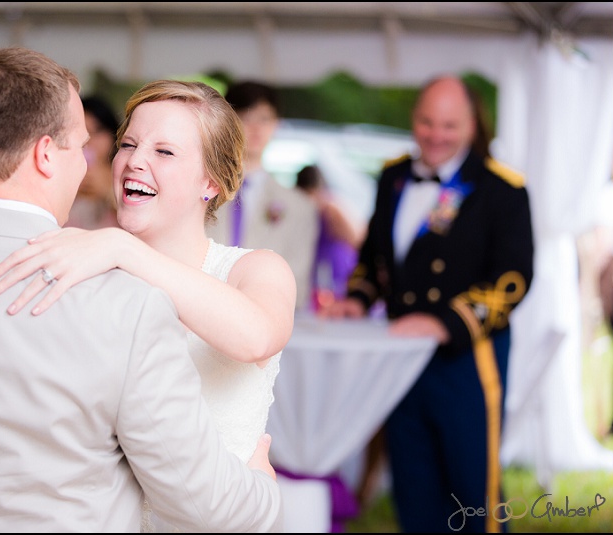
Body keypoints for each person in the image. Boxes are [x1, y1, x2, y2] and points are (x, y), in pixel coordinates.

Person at [0, 46, 283, 533]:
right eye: (115, 144)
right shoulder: (122, 304)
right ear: (45, 154)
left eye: (164, 151)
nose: (107, 162)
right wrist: (264, 489)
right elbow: (205, 502)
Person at [0, 78, 297, 532]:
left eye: (164, 152)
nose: (134, 161)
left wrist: (122, 248)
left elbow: (255, 337)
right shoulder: (89, 263)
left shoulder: (255, 269)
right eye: (128, 144)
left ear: (209, 181)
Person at [326, 75, 534, 533]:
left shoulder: (501, 188)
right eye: (426, 121)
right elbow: (375, 258)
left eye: (449, 125)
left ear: (472, 124)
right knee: (413, 486)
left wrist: (444, 324)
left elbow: (513, 279)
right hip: (400, 359)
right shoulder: (395, 176)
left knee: (473, 491)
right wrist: (358, 299)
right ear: (414, 119)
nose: (436, 134)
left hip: (466, 359)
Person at [206, 80, 319, 310]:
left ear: (276, 124)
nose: (255, 128)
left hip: (264, 316)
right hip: (199, 309)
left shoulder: (299, 206)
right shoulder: (201, 189)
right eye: (246, 117)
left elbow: (298, 282)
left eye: (264, 118)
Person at [294, 164, 364, 312]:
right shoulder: (298, 209)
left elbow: (357, 239)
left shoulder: (331, 208)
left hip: (336, 273)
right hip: (315, 275)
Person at [65, 94, 120, 230]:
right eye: (82, 131)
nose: (89, 140)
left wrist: (108, 191)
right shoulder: (58, 172)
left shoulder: (126, 175)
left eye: (97, 131)